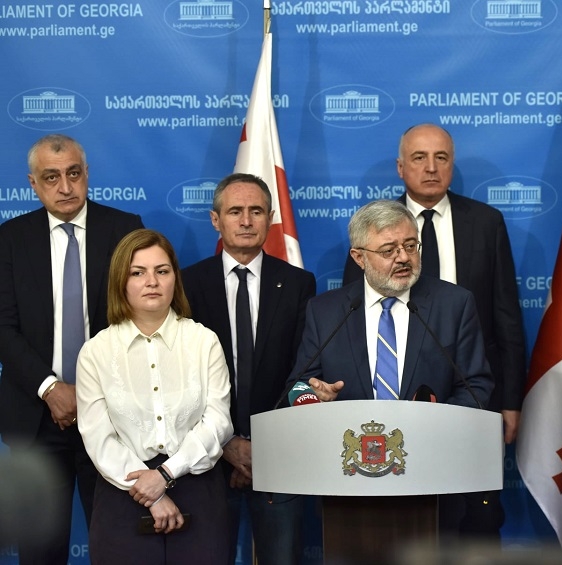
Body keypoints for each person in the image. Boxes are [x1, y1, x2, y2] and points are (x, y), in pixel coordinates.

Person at [343, 123, 525, 537]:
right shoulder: (374, 227)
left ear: (452, 164)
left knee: (474, 518)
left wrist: (510, 399)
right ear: (400, 167)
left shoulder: (486, 222)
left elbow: (506, 317)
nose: (431, 167)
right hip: (392, 400)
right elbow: (352, 311)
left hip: (472, 393)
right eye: (419, 158)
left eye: (441, 158)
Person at [0, 134, 143, 564]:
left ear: (86, 174)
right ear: (33, 183)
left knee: (118, 546)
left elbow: (139, 319)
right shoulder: (10, 238)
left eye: (74, 174)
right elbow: (3, 327)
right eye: (51, 177)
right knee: (40, 550)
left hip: (114, 415)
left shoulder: (125, 229)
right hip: (37, 417)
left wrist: (90, 394)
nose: (65, 187)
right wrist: (50, 388)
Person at [75, 229, 233, 564]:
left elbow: (218, 422)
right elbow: (98, 437)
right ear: (120, 281)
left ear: (175, 277)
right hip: (123, 492)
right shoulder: (95, 352)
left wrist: (165, 475)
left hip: (197, 486)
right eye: (138, 273)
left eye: (162, 271)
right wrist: (152, 494)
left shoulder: (203, 341)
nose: (152, 282)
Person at [182, 173, 316, 565]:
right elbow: (182, 376)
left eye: (256, 211)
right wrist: (227, 444)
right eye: (235, 211)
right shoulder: (187, 283)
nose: (245, 221)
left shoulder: (298, 283)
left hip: (278, 454)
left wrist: (262, 444)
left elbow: (302, 370)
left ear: (270, 218)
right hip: (206, 456)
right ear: (215, 220)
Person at [288, 199, 492, 408]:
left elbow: (475, 385)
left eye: (410, 246)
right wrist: (314, 397)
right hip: (349, 429)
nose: (403, 257)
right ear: (359, 258)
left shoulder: (454, 305)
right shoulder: (325, 312)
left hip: (432, 429)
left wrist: (435, 421)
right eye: (388, 250)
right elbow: (299, 385)